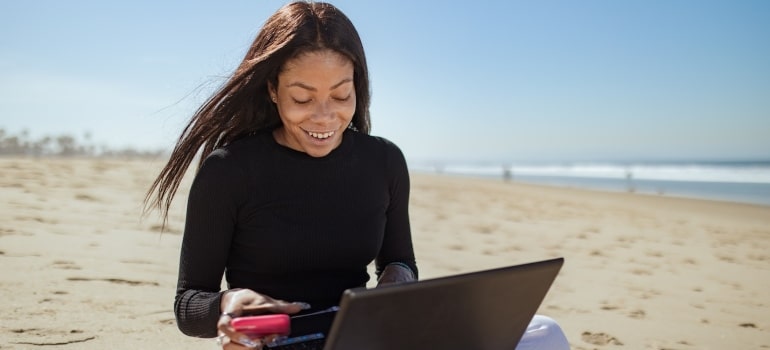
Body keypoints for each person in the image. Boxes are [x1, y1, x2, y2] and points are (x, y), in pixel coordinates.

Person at [145, 2, 569, 349]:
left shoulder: (383, 161)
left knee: (545, 333)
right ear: (273, 90)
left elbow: (400, 261)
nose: (325, 116)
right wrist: (230, 303)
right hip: (273, 342)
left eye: (341, 94)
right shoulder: (229, 169)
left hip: (368, 337)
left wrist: (397, 284)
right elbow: (188, 305)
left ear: (357, 87)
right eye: (302, 97)